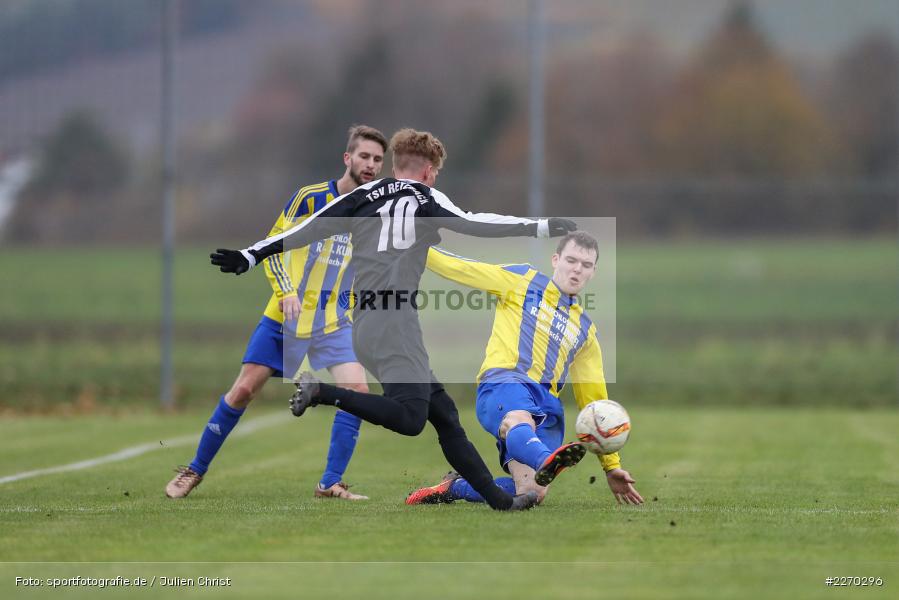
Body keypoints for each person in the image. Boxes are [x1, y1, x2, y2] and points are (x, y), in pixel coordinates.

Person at [210, 128, 579, 511]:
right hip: (394, 322)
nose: (435, 179)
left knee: (445, 416)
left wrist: (251, 255)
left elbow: (307, 228)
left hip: (367, 323)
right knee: (410, 419)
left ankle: (500, 501)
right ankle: (323, 392)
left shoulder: (362, 195)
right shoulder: (426, 196)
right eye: (434, 173)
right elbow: (476, 223)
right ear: (428, 171)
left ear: (394, 163)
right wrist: (539, 226)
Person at [165, 125, 389, 500]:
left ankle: (330, 482)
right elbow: (271, 246)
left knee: (358, 391)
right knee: (243, 391)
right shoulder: (311, 198)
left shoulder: (374, 214)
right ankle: (194, 470)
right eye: (364, 156)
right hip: (285, 319)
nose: (370, 164)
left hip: (332, 323)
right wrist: (286, 291)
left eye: (378, 159)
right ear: (347, 158)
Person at [405, 232, 644, 506]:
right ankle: (545, 459)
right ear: (555, 260)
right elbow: (463, 267)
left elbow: (594, 401)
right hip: (505, 382)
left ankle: (455, 488)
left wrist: (611, 466)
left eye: (586, 265)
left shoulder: (585, 331)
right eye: (571, 260)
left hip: (546, 404)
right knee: (519, 419)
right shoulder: (522, 281)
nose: (577, 269)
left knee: (531, 493)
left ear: (593, 271)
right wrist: (414, 246)